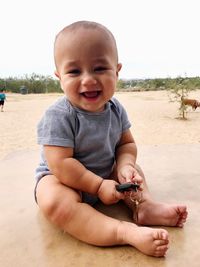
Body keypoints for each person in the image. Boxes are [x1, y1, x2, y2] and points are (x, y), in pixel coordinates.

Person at [35, 21, 188, 257]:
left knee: (133, 168)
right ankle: (123, 232)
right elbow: (61, 164)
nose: (87, 79)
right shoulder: (59, 115)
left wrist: (125, 166)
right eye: (74, 71)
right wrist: (96, 186)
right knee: (53, 198)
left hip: (106, 175)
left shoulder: (115, 109)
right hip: (66, 181)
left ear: (116, 71)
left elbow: (126, 144)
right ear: (59, 77)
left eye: (99, 68)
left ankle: (143, 207)